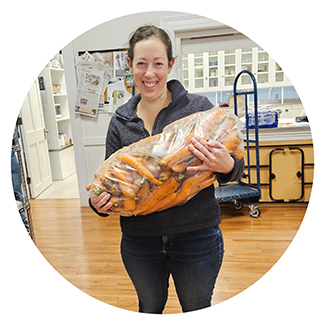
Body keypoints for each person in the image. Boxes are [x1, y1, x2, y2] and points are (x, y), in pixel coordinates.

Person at [88, 24, 244, 314]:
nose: (150, 74)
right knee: (149, 307)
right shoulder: (120, 122)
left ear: (170, 64)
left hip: (196, 236)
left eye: (158, 64)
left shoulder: (199, 110)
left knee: (197, 308)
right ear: (130, 65)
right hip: (140, 241)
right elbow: (111, 183)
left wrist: (229, 166)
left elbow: (234, 168)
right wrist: (99, 203)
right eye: (141, 64)